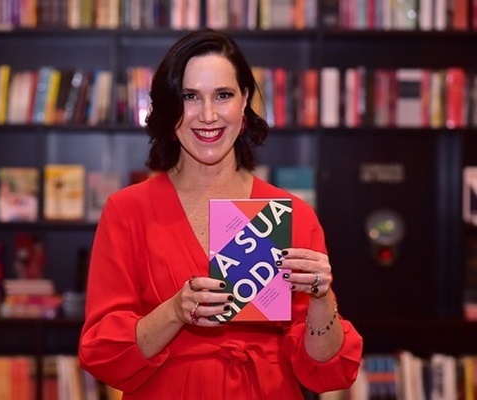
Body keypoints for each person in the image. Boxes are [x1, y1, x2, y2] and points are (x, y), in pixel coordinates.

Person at [78, 29, 363, 399]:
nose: (208, 115)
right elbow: (102, 353)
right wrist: (175, 312)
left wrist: (322, 296)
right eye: (190, 96)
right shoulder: (127, 211)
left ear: (244, 100)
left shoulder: (292, 214)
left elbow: (325, 371)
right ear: (169, 107)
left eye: (223, 95)